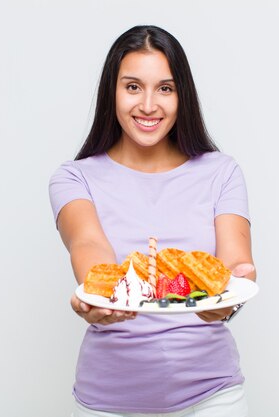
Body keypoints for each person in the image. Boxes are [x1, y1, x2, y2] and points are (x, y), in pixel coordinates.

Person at [49, 25, 256, 416]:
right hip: (107, 400)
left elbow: (234, 264)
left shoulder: (222, 172)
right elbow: (88, 244)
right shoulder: (74, 178)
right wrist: (103, 300)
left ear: (182, 97)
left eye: (165, 88)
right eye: (132, 87)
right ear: (112, 93)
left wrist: (227, 301)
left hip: (212, 395)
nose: (148, 105)